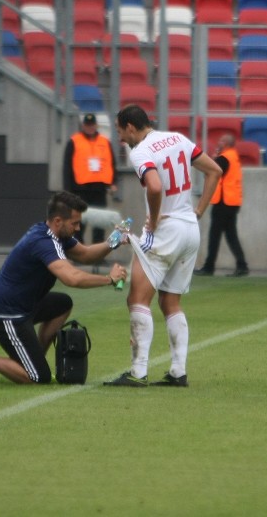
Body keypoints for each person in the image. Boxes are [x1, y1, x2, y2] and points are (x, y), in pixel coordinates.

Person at [0, 191, 127, 385]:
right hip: (6, 315)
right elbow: (71, 278)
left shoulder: (56, 235)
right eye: (75, 223)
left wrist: (114, 240)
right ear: (58, 221)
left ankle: (32, 360)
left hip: (26, 305)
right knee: (37, 377)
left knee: (62, 304)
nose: (78, 228)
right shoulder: (43, 242)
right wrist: (109, 279)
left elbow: (85, 254)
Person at [104, 105, 222, 387]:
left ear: (131, 127)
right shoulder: (178, 139)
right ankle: (178, 372)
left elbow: (155, 187)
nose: (121, 138)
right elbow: (215, 171)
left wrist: (153, 225)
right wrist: (198, 212)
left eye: (120, 131)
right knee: (170, 301)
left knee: (136, 299)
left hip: (166, 231)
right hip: (189, 228)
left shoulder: (141, 151)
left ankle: (138, 372)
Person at [194, 133, 250, 277]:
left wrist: (213, 158)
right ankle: (242, 265)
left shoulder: (224, 158)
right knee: (231, 235)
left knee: (215, 235)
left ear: (225, 143)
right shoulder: (233, 156)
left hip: (223, 202)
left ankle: (209, 267)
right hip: (232, 201)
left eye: (220, 140)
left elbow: (210, 171)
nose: (218, 142)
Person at [63, 113, 118, 244]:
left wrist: (113, 182)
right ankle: (79, 250)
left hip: (99, 189)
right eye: (87, 125)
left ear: (96, 125)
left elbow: (112, 163)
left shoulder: (105, 142)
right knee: (79, 222)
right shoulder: (74, 141)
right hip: (80, 189)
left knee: (100, 222)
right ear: (83, 126)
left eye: (92, 125)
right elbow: (67, 167)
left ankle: (97, 251)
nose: (90, 128)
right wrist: (67, 190)